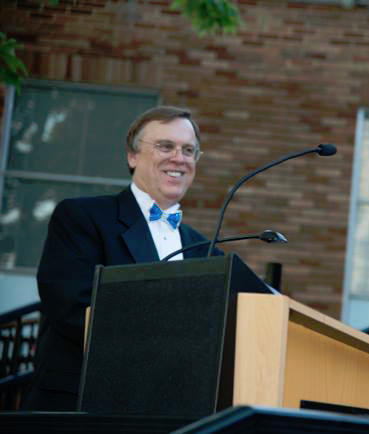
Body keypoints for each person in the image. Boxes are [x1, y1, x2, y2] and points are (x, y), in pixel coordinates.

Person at [22, 106, 222, 411]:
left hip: (169, 412)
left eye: (189, 150)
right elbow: (72, 306)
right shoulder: (82, 217)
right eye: (165, 146)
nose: (179, 158)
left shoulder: (206, 251)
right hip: (81, 406)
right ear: (132, 156)